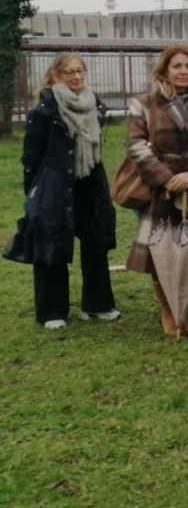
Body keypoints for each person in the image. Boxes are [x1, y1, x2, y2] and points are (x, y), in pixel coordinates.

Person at [124, 45, 188, 337]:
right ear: (165, 69)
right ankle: (168, 308)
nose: (183, 72)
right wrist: (166, 178)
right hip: (161, 188)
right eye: (177, 66)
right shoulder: (143, 103)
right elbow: (135, 145)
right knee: (162, 250)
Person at [20, 52, 118, 329]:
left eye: (80, 71)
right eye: (69, 73)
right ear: (55, 76)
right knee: (52, 243)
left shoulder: (95, 106)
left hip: (90, 180)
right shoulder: (44, 111)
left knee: (97, 241)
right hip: (55, 183)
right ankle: (52, 311)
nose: (76, 77)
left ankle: (98, 305)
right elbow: (31, 157)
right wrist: (34, 193)